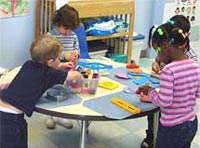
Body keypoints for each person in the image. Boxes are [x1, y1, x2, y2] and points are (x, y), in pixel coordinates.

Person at [0, 35, 83, 148]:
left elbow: (43, 73)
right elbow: (75, 76)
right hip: (11, 121)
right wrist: (79, 74)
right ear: (50, 62)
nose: (60, 61)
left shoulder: (28, 65)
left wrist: (60, 66)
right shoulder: (49, 74)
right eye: (59, 59)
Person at [141, 15, 198, 148]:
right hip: (191, 122)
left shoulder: (169, 70)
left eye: (157, 51)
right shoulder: (195, 65)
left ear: (166, 47)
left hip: (172, 128)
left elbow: (164, 101)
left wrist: (150, 92)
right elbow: (197, 93)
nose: (158, 56)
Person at [46, 4, 81, 129]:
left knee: (65, 92)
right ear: (58, 23)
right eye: (65, 29)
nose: (68, 32)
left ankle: (62, 116)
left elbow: (76, 48)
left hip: (68, 69)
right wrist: (64, 56)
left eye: (71, 29)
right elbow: (48, 54)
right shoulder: (51, 36)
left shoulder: (73, 35)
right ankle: (50, 116)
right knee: (52, 92)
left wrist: (76, 54)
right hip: (54, 69)